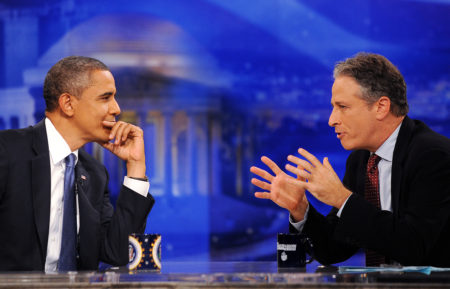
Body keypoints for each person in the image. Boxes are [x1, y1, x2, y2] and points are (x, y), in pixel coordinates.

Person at [250, 53, 450, 267]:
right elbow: (332, 249)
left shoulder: (433, 156)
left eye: (342, 107)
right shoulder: (360, 160)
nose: (331, 120)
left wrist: (343, 199)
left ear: (381, 107)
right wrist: (301, 210)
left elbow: (413, 247)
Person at [0, 56, 155, 271]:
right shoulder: (7, 151)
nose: (116, 108)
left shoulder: (95, 173)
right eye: (105, 98)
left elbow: (117, 253)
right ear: (68, 104)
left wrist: (136, 166)